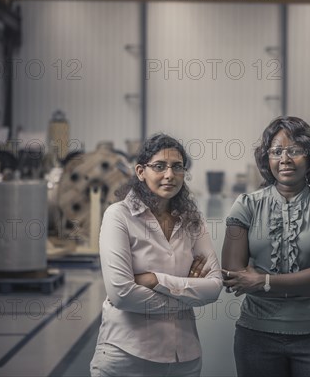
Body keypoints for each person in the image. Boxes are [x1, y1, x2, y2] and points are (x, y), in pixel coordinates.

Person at [222, 116, 310, 377]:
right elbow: (233, 277)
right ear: (267, 159)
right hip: (256, 336)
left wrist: (262, 280)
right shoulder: (246, 205)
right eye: (276, 151)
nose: (285, 159)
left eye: (295, 151)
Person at [90, 134, 222, 377]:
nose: (169, 174)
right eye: (159, 166)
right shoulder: (119, 216)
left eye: (177, 167)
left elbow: (214, 287)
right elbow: (121, 294)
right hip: (127, 356)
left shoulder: (192, 221)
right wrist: (187, 293)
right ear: (141, 171)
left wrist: (154, 280)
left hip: (184, 359)